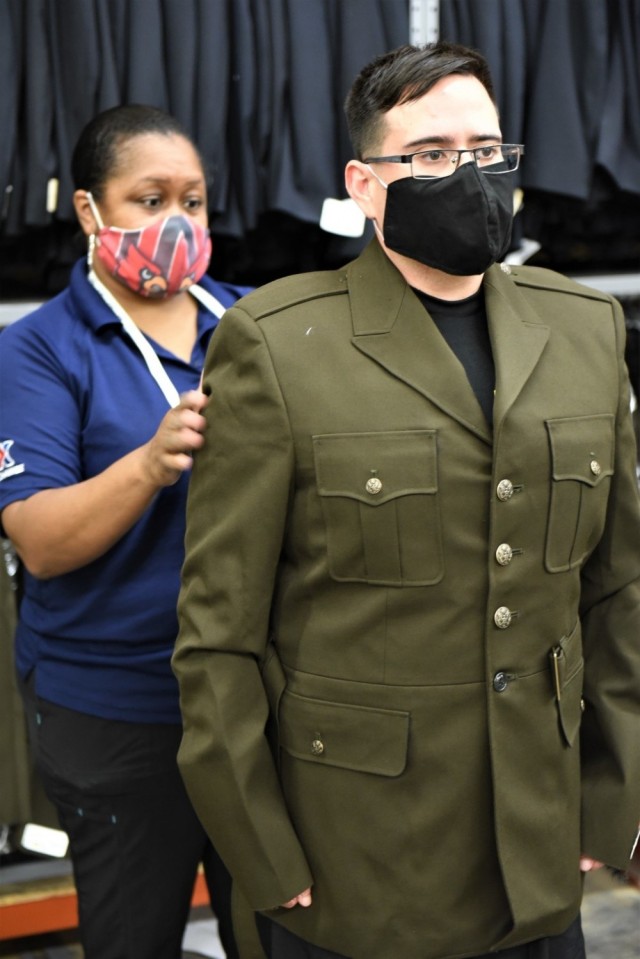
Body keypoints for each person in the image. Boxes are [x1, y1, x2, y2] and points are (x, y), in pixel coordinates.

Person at [172, 42, 640, 959]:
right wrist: (263, 857)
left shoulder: (586, 329)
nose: (468, 176)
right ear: (364, 181)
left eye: (487, 148)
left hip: (539, 860)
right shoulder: (278, 345)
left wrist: (611, 802)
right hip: (357, 862)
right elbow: (217, 637)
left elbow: (620, 593)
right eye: (431, 154)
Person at [0, 104, 252, 959]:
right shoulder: (39, 350)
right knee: (134, 933)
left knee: (272, 926)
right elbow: (37, 537)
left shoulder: (254, 328)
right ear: (87, 211)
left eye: (196, 200)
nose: (177, 223)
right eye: (150, 200)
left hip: (255, 701)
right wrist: (147, 463)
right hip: (117, 712)